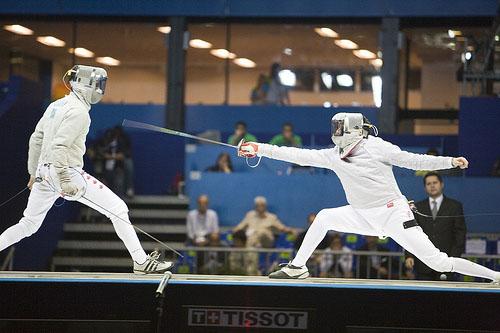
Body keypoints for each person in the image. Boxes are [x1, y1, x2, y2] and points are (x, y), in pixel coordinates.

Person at [238, 112, 500, 282]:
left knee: (439, 261)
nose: (336, 131)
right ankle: (298, 267)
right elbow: (296, 154)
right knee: (324, 217)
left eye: (340, 127)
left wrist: (450, 162)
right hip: (361, 215)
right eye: (335, 127)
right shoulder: (333, 155)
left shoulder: (377, 147)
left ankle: (494, 276)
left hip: (393, 215)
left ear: (353, 128)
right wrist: (258, 148)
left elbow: (413, 160)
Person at [0, 65, 172, 274]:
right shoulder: (79, 112)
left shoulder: (56, 106)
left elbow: (36, 139)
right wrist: (64, 179)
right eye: (98, 85)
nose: (101, 89)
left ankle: (141, 261)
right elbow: (59, 147)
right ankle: (141, 261)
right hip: (66, 172)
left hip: (44, 173)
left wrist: (33, 173)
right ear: (85, 84)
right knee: (118, 208)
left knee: (28, 224)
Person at [405, 172, 466, 281]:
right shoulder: (417, 207)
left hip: (447, 263)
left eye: (435, 183)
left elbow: (460, 235)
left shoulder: (454, 206)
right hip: (423, 264)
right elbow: (412, 233)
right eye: (428, 184)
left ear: (442, 184)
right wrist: (409, 255)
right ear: (425, 187)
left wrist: (453, 259)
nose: (432, 186)